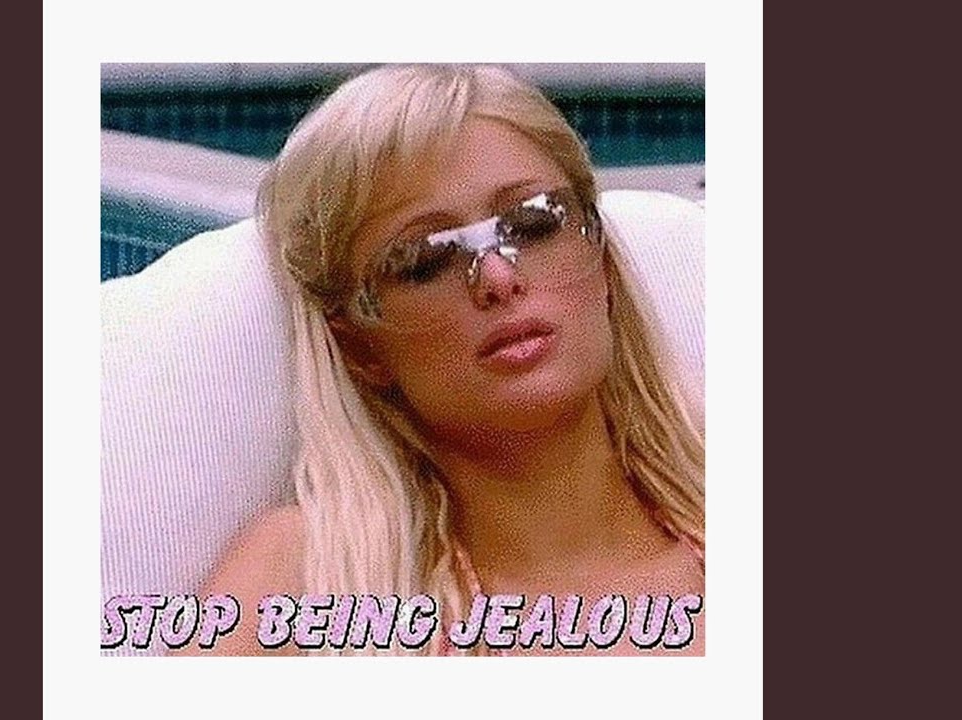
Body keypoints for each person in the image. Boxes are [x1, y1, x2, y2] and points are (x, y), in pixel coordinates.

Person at [177, 64, 704, 656]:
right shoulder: (305, 582)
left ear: (601, 261)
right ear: (358, 345)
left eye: (534, 222)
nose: (497, 277)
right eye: (426, 261)